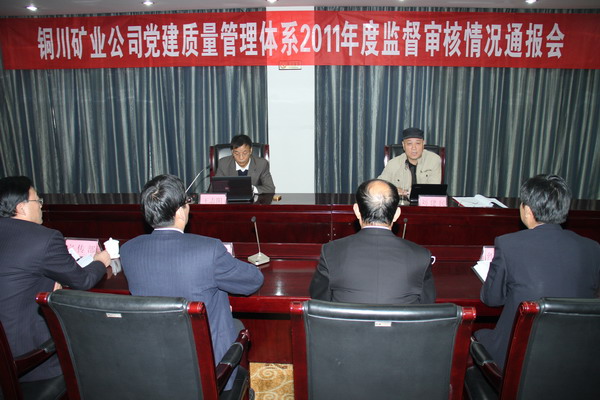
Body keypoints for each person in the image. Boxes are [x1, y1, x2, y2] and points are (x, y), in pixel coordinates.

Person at [120, 174, 264, 390]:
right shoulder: (209, 250)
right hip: (207, 366)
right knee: (236, 325)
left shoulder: (128, 250)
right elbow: (253, 281)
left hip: (154, 360)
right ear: (180, 211)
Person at [475, 174, 600, 370]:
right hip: (575, 359)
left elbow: (492, 299)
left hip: (516, 360)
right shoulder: (592, 248)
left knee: (478, 335)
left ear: (527, 211)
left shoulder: (509, 244)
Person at [0, 176, 110, 383]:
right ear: (21, 208)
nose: (41, 206)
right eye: (37, 200)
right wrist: (100, 262)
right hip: (27, 360)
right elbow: (82, 281)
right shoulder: (44, 238)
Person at [309, 179, 436, 304]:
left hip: (348, 319)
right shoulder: (421, 256)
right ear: (397, 214)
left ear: (357, 211)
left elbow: (319, 303)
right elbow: (427, 306)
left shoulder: (331, 252)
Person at [378, 127, 442, 195]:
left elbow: (434, 189)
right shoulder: (393, 164)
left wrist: (407, 192)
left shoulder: (434, 160)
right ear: (403, 145)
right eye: (409, 143)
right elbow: (379, 185)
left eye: (418, 143)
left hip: (425, 200)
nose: (414, 148)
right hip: (401, 201)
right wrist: (394, 190)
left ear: (423, 144)